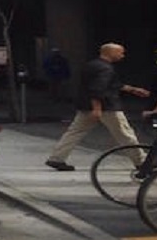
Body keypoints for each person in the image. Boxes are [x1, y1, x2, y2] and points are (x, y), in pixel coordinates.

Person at [45, 42, 150, 171]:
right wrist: (97, 108)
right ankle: (141, 161)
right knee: (125, 134)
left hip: (86, 106)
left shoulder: (92, 65)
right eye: (120, 52)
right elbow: (98, 89)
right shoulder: (106, 69)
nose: (123, 55)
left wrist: (132, 89)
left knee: (74, 132)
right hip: (107, 107)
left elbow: (111, 85)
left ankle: (56, 158)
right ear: (110, 53)